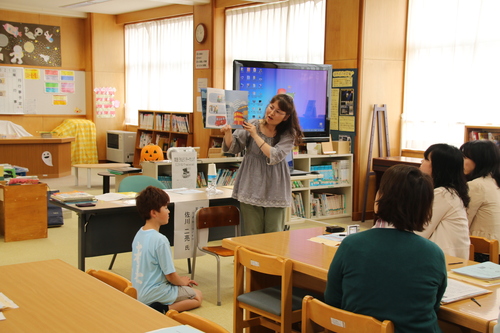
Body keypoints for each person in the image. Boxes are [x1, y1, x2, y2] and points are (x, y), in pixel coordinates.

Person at [325, 165, 447, 333]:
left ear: (379, 199)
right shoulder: (433, 253)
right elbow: (434, 305)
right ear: (425, 208)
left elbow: (333, 300)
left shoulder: (351, 245)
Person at [221, 93, 303, 235]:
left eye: (278, 111)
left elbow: (275, 155)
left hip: (275, 187)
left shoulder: (288, 133)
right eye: (271, 107)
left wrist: (255, 135)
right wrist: (228, 133)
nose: (271, 113)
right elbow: (234, 147)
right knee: (252, 234)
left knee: (274, 234)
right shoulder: (252, 124)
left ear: (286, 116)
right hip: (251, 183)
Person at [131, 186, 202, 311]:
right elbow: (171, 276)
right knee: (197, 296)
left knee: (184, 287)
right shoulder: (160, 240)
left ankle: (159, 305)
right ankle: (165, 309)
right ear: (154, 213)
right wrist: (182, 282)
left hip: (137, 292)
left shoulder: (139, 233)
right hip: (155, 293)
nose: (168, 211)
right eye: (165, 208)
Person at [416, 143, 471, 259]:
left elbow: (420, 231)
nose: (421, 162)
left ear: (438, 167)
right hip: (441, 256)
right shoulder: (448, 192)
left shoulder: (443, 194)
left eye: (426, 159)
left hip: (446, 260)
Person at [460, 140, 500, 248]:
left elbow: (462, 223)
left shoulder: (477, 186)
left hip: (482, 250)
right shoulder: (494, 181)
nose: (460, 162)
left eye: (465, 157)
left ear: (479, 161)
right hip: (495, 249)